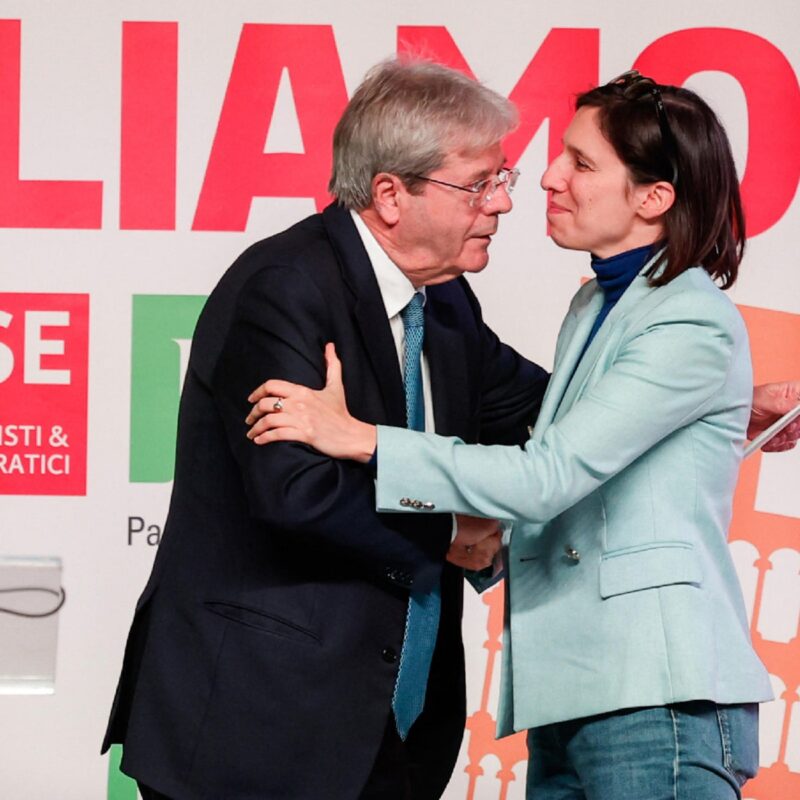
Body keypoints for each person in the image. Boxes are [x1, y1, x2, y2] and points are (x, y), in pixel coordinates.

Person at [245, 71, 800, 798]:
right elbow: (576, 435)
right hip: (574, 693)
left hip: (653, 692)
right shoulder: (601, 303)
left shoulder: (688, 319)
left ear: (653, 198)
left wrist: (364, 439)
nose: (546, 178)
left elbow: (548, 474)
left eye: (581, 163)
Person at [102, 59, 551, 800]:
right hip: (258, 726)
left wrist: (713, 398)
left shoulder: (445, 304)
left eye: (505, 178)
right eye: (478, 183)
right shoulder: (284, 286)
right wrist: (450, 534)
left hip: (388, 732)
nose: (503, 203)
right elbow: (296, 492)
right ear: (390, 194)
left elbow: (544, 408)